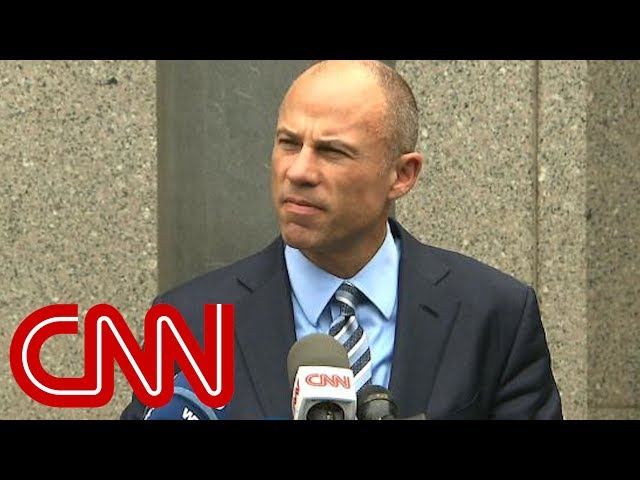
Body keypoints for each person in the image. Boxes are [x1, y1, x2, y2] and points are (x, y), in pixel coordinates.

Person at [120, 60, 563, 420]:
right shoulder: (189, 322)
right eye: (289, 143)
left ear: (402, 174)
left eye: (332, 151)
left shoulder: (494, 315)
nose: (299, 171)